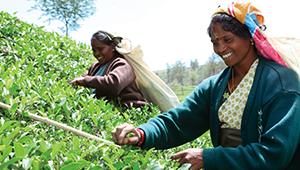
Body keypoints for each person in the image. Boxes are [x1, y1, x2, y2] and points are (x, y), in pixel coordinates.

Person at [111, 1, 300, 169]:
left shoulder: (280, 82)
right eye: (214, 42)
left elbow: (274, 154)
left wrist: (208, 157)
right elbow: (178, 122)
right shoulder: (216, 85)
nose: (220, 49)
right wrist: (141, 133)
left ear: (250, 36)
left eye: (227, 39)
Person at [70, 30, 151, 108]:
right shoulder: (96, 66)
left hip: (128, 109)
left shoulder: (123, 64)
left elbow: (114, 83)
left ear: (112, 46)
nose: (96, 53)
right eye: (94, 50)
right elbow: (84, 76)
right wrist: (78, 80)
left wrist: (85, 81)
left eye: (100, 49)